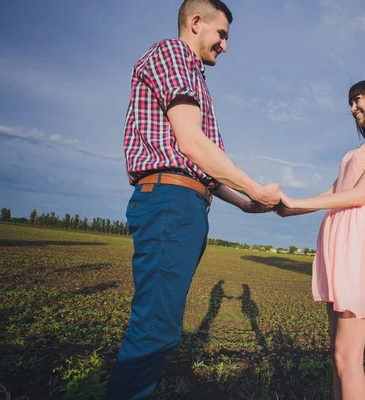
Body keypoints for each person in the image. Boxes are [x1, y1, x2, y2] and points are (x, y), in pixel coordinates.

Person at [104, 1, 280, 398]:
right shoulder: (173, 55)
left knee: (157, 323)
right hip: (172, 203)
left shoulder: (193, 75)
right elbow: (192, 144)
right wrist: (256, 188)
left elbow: (199, 168)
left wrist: (245, 203)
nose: (225, 45)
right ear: (196, 22)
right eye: (222, 34)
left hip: (181, 203)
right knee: (154, 328)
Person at [274, 80, 365, 400]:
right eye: (350, 102)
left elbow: (360, 194)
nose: (352, 108)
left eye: (357, 100)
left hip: (357, 239)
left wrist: (296, 204)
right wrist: (289, 207)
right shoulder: (355, 151)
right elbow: (335, 192)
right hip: (337, 239)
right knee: (337, 356)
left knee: (346, 356)